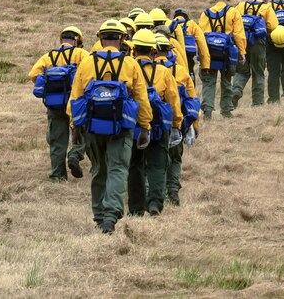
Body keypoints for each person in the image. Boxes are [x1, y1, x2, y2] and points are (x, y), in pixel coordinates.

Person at [67, 19, 152, 234]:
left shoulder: (86, 63)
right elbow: (141, 98)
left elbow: (75, 98)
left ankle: (98, 217)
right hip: (121, 128)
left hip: (92, 127)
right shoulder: (130, 64)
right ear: (122, 39)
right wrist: (145, 127)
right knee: (117, 169)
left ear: (100, 38)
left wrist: (74, 128)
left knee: (98, 170)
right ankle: (110, 217)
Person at [127, 29, 182, 217]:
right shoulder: (164, 72)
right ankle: (155, 204)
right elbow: (173, 99)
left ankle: (135, 207)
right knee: (157, 165)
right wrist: (176, 124)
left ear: (134, 51)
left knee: (134, 165)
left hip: (134, 124)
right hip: (159, 125)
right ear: (153, 52)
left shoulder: (128, 68)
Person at [28, 26, 89, 181]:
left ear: (61, 40)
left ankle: (58, 176)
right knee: (82, 133)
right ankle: (75, 154)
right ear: (77, 42)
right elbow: (91, 72)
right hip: (76, 103)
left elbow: (33, 74)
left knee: (57, 141)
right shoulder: (81, 54)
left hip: (54, 103)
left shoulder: (49, 57)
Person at [156, 33, 198, 207]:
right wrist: (194, 125)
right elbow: (192, 100)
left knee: (154, 159)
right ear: (169, 50)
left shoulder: (141, 68)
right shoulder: (180, 71)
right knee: (175, 158)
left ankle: (154, 192)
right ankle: (172, 189)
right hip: (176, 122)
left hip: (152, 122)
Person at [197, 0, 246, 120]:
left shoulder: (205, 14)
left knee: (208, 82)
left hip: (209, 53)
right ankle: (226, 111)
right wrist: (242, 52)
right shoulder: (234, 12)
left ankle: (207, 111)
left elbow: (201, 36)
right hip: (227, 53)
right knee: (226, 81)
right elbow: (239, 35)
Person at [233, 0, 278, 107]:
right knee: (258, 72)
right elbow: (273, 26)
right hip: (258, 42)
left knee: (241, 70)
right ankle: (257, 102)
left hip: (241, 41)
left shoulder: (241, 5)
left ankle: (236, 91)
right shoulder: (266, 7)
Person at [169, 8, 208, 83]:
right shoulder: (192, 24)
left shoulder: (171, 24)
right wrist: (205, 65)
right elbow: (202, 44)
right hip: (189, 55)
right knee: (190, 74)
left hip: (174, 55)